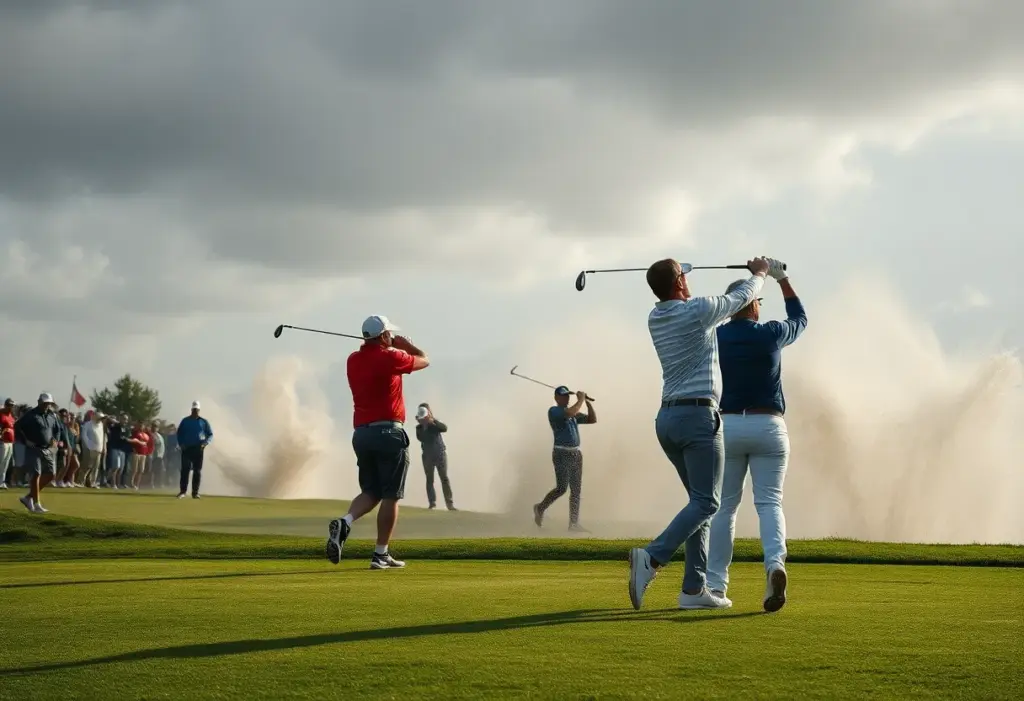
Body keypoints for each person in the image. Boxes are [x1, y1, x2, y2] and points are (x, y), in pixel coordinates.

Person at [627, 256, 779, 611]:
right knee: (708, 502)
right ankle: (650, 559)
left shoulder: (656, 317)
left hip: (668, 420)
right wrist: (759, 273)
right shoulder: (696, 312)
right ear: (679, 283)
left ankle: (693, 590)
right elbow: (741, 299)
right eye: (684, 276)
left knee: (700, 503)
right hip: (697, 418)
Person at [706, 266, 807, 612]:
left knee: (724, 509)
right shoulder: (771, 333)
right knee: (769, 504)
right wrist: (781, 278)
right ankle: (775, 565)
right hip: (769, 427)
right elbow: (800, 318)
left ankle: (716, 586)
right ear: (752, 305)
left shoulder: (716, 336)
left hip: (729, 426)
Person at [325, 315, 429, 570]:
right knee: (391, 496)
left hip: (361, 433)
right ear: (383, 336)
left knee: (371, 491)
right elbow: (424, 361)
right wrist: (408, 347)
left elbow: (375, 356)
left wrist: (390, 345)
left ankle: (346, 521)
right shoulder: (391, 357)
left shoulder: (353, 360)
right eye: (390, 333)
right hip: (389, 433)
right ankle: (380, 554)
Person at [533, 386, 596, 532]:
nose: (566, 398)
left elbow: (592, 419)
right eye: (563, 396)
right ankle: (540, 508)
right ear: (556, 398)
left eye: (568, 396)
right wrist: (580, 399)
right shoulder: (554, 411)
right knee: (562, 488)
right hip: (561, 453)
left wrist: (587, 402)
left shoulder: (572, 413)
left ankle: (573, 524)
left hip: (575, 454)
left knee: (576, 490)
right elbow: (570, 412)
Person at [13, 393, 62, 513]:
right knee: (36, 474)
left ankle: (28, 497)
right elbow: (17, 426)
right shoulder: (30, 415)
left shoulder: (52, 415)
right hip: (33, 448)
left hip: (47, 449)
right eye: (45, 403)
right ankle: (36, 504)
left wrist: (55, 439)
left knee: (51, 475)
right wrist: (26, 441)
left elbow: (58, 429)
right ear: (39, 402)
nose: (47, 405)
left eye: (49, 403)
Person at [414, 403, 456, 511]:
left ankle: (449, 504)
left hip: (440, 454)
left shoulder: (435, 425)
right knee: (430, 479)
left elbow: (444, 428)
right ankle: (432, 503)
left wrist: (433, 422)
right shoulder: (419, 428)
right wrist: (424, 426)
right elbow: (422, 438)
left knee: (444, 478)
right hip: (427, 456)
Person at [176, 401, 213, 499]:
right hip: (187, 448)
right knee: (185, 470)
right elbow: (179, 433)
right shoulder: (185, 421)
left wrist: (205, 443)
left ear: (199, 410)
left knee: (197, 471)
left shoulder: (203, 422)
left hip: (199, 448)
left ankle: (195, 493)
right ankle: (183, 491)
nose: (195, 411)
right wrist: (181, 444)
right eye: (193, 409)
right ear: (191, 409)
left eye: (196, 410)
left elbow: (210, 434)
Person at [79, 411, 106, 489]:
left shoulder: (101, 425)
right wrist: (88, 445)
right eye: (99, 418)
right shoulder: (88, 424)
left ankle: (92, 482)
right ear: (94, 417)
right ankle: (81, 482)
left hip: (99, 449)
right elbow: (84, 436)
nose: (100, 420)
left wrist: (103, 447)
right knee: (87, 466)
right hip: (89, 449)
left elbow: (102, 436)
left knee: (95, 467)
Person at [105, 414, 128, 489]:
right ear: (120, 419)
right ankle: (113, 484)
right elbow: (110, 421)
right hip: (115, 448)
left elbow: (126, 437)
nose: (125, 421)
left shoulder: (125, 428)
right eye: (124, 419)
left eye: (126, 419)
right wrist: (110, 418)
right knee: (115, 467)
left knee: (121, 469)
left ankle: (118, 484)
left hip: (122, 450)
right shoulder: (115, 426)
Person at [128, 422, 150, 490]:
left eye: (142, 426)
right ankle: (131, 483)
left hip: (143, 454)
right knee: (135, 469)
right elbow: (132, 441)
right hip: (136, 453)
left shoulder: (146, 435)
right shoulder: (135, 433)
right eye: (140, 426)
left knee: (141, 470)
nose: (141, 427)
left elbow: (148, 444)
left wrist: (147, 452)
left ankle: (137, 484)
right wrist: (133, 449)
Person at [1, 398, 15, 489]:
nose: (10, 407)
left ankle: (2, 481)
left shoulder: (11, 416)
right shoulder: (1, 414)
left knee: (6, 463)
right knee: (1, 462)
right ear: (5, 405)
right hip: (2, 442)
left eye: (12, 406)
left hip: (10, 443)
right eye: (9, 405)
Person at [149, 425, 165, 489]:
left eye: (156, 427)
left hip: (160, 455)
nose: (155, 428)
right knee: (153, 470)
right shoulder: (151, 435)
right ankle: (151, 484)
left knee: (160, 470)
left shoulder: (159, 435)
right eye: (154, 427)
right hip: (154, 455)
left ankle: (159, 483)